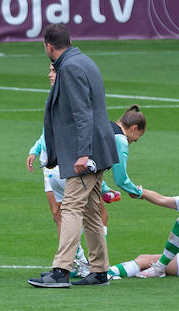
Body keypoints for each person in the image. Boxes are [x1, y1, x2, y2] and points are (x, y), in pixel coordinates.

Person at [29, 23, 119, 288]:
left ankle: (61, 270)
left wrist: (83, 153)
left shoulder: (69, 67)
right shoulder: (82, 61)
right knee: (91, 211)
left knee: (70, 207)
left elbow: (82, 113)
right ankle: (100, 271)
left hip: (87, 153)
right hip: (97, 147)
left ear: (48, 46)